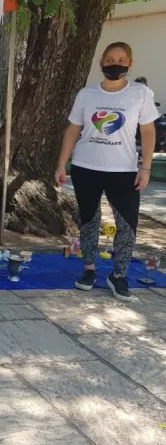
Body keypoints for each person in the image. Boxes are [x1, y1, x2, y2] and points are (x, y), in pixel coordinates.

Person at [56, 42, 159, 301]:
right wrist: (62, 164)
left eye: (122, 60)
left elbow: (148, 131)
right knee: (89, 220)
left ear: (130, 63)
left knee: (127, 225)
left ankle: (119, 275)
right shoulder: (87, 94)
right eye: (110, 59)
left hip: (123, 171)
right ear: (101, 62)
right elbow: (73, 129)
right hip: (86, 167)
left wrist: (145, 167)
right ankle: (89, 268)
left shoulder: (140, 93)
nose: (116, 64)